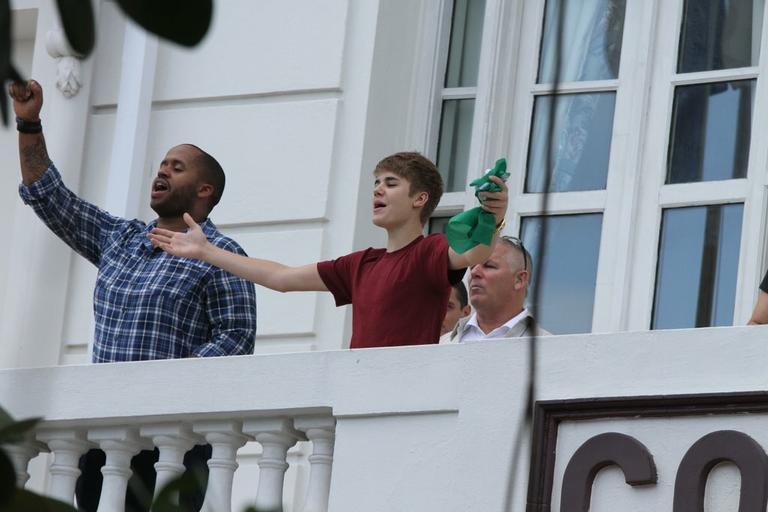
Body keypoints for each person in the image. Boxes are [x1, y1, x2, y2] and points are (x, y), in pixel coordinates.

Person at [9, 80, 257, 512]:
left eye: (177, 168)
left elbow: (236, 339)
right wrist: (29, 122)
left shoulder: (224, 256)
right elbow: (48, 196)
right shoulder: (118, 238)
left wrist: (159, 385)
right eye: (161, 165)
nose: (161, 172)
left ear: (205, 191)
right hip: (102, 444)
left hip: (173, 448)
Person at [150, 152, 509, 348]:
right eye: (376, 184)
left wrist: (495, 212)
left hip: (406, 396)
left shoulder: (428, 252)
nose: (378, 191)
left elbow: (474, 253)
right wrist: (206, 251)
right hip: (356, 395)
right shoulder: (361, 264)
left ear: (420, 198)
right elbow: (282, 278)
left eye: (391, 183)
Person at [440, 236, 549, 343]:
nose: (474, 273)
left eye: (489, 266)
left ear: (519, 280)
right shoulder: (441, 343)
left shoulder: (549, 347)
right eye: (472, 267)